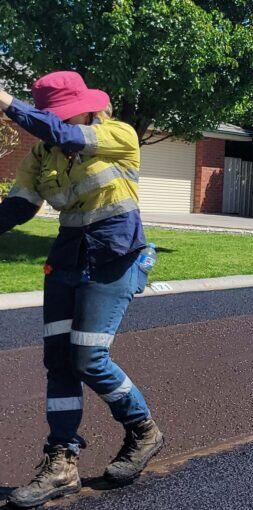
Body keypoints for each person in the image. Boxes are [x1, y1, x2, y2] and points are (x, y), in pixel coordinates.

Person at [0, 71, 164, 508]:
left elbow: (64, 132)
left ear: (87, 107)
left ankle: (143, 429)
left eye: (65, 114)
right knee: (59, 362)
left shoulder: (118, 133)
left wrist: (6, 101)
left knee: (89, 357)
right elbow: (19, 206)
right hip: (67, 259)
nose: (60, 122)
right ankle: (62, 462)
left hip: (114, 254)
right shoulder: (41, 154)